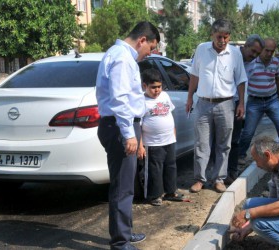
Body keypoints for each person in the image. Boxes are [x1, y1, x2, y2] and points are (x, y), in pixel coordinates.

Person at [96, 21, 160, 250]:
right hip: (119, 127)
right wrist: (129, 135)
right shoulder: (123, 58)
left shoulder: (120, 55)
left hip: (120, 126)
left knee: (125, 186)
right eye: (151, 48)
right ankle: (120, 242)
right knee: (122, 188)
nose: (149, 54)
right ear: (142, 40)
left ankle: (124, 232)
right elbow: (120, 99)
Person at [186, 19, 247, 193]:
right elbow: (194, 75)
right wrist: (190, 97)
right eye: (219, 36)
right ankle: (199, 179)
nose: (222, 41)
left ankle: (219, 179)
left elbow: (241, 79)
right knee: (201, 144)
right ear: (212, 34)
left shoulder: (235, 53)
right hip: (203, 103)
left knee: (223, 144)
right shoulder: (201, 49)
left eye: (226, 37)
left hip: (226, 104)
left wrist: (241, 102)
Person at [238, 38, 279, 163]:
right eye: (267, 51)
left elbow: (277, 78)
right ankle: (240, 154)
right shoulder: (251, 63)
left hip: (272, 100)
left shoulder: (275, 62)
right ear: (261, 50)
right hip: (254, 102)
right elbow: (242, 82)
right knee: (248, 132)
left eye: (272, 51)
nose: (269, 54)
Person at [137, 69, 184, 206]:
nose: (157, 90)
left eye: (159, 86)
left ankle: (170, 191)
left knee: (170, 166)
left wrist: (173, 131)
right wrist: (140, 146)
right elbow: (138, 126)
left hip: (169, 139)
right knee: (154, 169)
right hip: (152, 143)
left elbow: (170, 114)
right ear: (144, 86)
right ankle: (154, 195)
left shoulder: (164, 96)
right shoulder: (141, 101)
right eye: (153, 87)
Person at [224, 34, 265, 185]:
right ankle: (217, 173)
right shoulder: (230, 55)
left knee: (235, 141)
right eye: (252, 51)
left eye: (257, 54)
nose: (253, 55)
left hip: (239, 105)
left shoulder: (254, 64)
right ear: (245, 46)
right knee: (221, 141)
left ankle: (231, 172)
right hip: (224, 102)